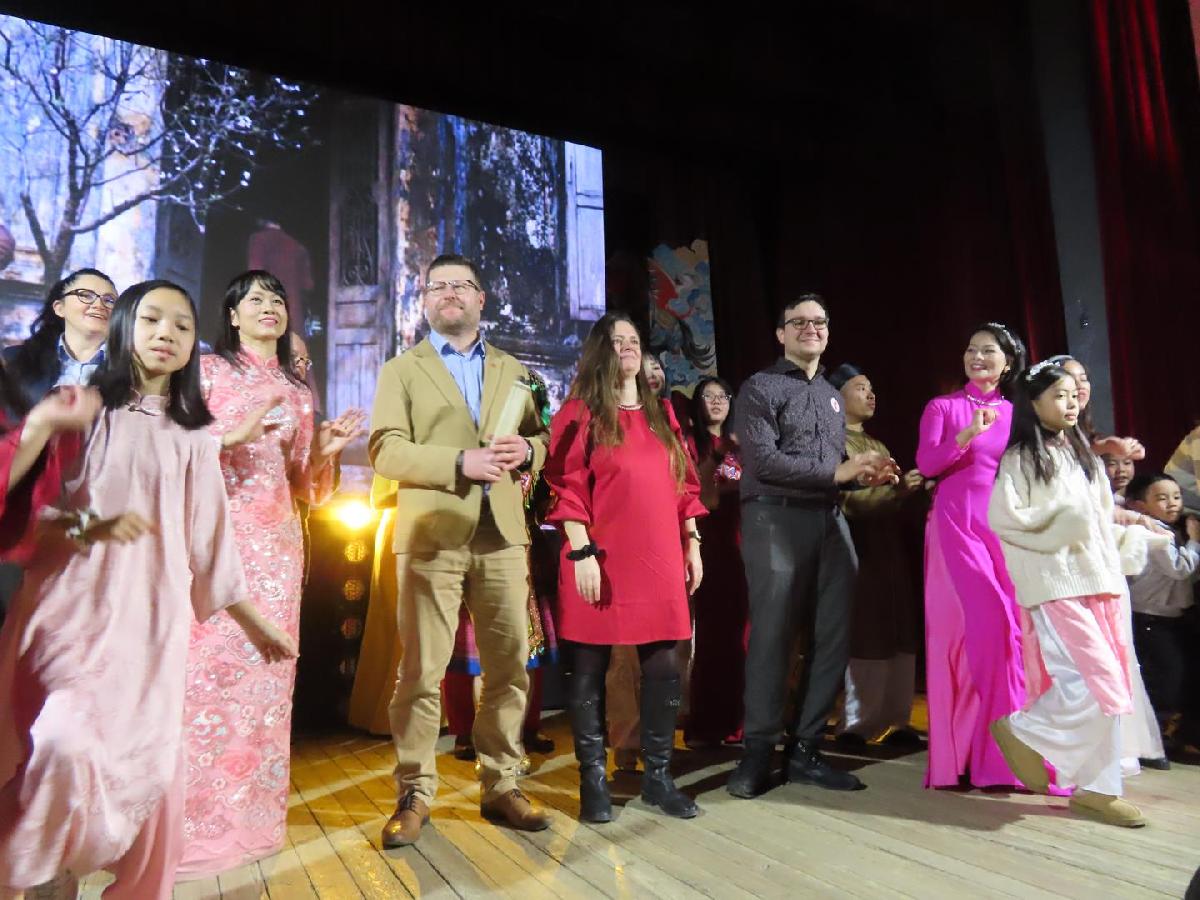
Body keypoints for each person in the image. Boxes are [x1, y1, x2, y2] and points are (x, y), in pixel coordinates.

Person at [0, 280, 295, 900]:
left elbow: (210, 545)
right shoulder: (81, 410)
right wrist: (44, 432)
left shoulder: (193, 438)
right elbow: (26, 504)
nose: (167, 334)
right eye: (152, 319)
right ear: (123, 328)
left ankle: (65, 876)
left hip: (150, 626)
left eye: (182, 325)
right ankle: (39, 874)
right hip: (70, 615)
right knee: (61, 743)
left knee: (145, 763)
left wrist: (255, 623)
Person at [179, 271, 362, 876]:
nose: (269, 307)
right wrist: (232, 436)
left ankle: (252, 823)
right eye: (255, 299)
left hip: (277, 549)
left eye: (278, 299)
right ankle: (190, 827)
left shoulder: (296, 389)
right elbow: (175, 449)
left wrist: (325, 452)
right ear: (232, 316)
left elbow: (306, 486)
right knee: (203, 679)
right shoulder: (206, 372)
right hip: (213, 538)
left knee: (266, 682)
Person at [370, 253, 551, 846]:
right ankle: (414, 793)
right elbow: (385, 450)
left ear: (481, 299)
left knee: (509, 667)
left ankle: (502, 783)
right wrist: (458, 462)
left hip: (502, 535)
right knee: (421, 672)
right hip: (432, 535)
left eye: (461, 285)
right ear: (424, 300)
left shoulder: (514, 369)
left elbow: (542, 435)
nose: (449, 293)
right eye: (438, 286)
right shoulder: (402, 370)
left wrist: (531, 452)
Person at [728, 292, 897, 799]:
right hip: (774, 518)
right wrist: (837, 472)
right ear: (781, 333)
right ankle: (758, 752)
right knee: (773, 637)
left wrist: (861, 475)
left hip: (828, 518)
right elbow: (762, 462)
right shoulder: (759, 387)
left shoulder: (829, 395)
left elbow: (831, 471)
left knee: (832, 638)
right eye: (798, 322)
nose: (810, 328)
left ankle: (805, 750)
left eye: (818, 321)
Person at [988, 360, 1166, 827]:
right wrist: (1062, 526)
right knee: (1091, 682)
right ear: (1033, 403)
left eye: (1073, 395)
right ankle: (1023, 729)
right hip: (1057, 584)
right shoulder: (1021, 458)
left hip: (1099, 581)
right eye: (1059, 396)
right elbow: (1006, 520)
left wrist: (1132, 538)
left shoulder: (1080, 451)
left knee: (1112, 686)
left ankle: (1099, 789)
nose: (1070, 403)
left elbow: (1097, 521)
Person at [545, 312, 706, 822]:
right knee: (590, 667)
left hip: (659, 558)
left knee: (664, 666)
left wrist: (693, 542)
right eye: (616, 341)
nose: (628, 347)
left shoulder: (662, 414)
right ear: (600, 352)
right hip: (599, 558)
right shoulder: (581, 413)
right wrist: (581, 552)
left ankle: (657, 777)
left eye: (633, 340)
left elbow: (684, 485)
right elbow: (566, 486)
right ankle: (593, 780)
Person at [917, 322, 1032, 790]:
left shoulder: (1018, 413)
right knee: (980, 629)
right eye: (970, 349)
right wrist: (964, 434)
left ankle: (1006, 756)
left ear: (1008, 362)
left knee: (1013, 632)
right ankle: (964, 756)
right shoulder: (943, 407)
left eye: (988, 351)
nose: (976, 357)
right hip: (957, 522)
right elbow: (927, 464)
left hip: (1003, 526)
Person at [1044, 355, 1164, 771]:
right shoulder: (1046, 443)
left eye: (1084, 378)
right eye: (1068, 379)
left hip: (1101, 557)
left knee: (1117, 647)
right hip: (1068, 562)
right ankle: (1083, 749)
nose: (1079, 386)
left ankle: (1121, 742)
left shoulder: (1088, 440)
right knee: (1083, 656)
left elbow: (1100, 504)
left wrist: (1132, 517)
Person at [827, 364, 925, 746]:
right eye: (860, 387)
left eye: (871, 388)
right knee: (868, 633)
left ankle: (895, 720)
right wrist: (896, 492)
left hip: (888, 549)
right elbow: (846, 502)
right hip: (859, 550)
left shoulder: (877, 444)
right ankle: (856, 723)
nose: (870, 395)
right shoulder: (833, 443)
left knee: (899, 630)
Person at [683, 375, 748, 746]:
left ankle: (736, 721)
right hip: (707, 543)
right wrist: (722, 459)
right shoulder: (691, 444)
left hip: (740, 544)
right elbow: (706, 496)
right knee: (711, 636)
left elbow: (738, 485)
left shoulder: (738, 444)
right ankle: (705, 724)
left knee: (739, 635)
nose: (718, 400)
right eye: (709, 395)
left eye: (724, 395)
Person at [1125, 472, 1200, 757]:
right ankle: (1151, 743)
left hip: (1169, 618)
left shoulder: (1170, 529)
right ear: (1140, 506)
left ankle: (1163, 739)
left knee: (1173, 676)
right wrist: (1195, 541)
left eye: (1177, 497)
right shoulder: (1155, 533)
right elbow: (1180, 568)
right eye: (1162, 498)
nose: (1173, 503)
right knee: (1163, 680)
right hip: (1150, 618)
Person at [1, 268, 116, 412]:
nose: (99, 305)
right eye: (86, 295)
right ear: (59, 308)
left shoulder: (131, 368)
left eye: (109, 300)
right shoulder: (14, 360)